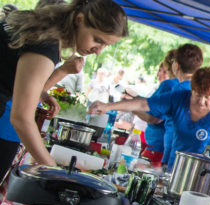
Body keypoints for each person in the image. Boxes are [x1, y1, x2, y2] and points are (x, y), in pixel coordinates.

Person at [0, 0, 127, 177]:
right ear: (79, 20)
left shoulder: (42, 29)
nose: (99, 51)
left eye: (106, 45)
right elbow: (21, 118)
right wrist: (56, 173)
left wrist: (42, 93)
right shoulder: (46, 43)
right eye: (97, 40)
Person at [88, 67, 210, 167]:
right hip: (172, 168)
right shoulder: (179, 98)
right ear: (191, 91)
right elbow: (143, 104)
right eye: (197, 95)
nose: (201, 101)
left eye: (207, 97)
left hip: (202, 176)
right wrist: (107, 107)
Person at [140, 49, 178, 165]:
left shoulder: (169, 85)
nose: (160, 74)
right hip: (167, 149)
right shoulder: (186, 86)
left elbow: (154, 118)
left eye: (164, 70)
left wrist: (133, 107)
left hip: (157, 148)